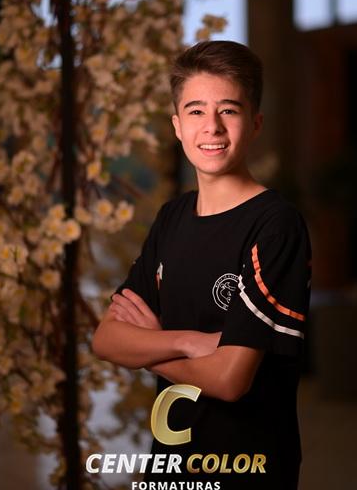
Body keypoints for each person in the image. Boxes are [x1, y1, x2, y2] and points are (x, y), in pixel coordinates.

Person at [92, 40, 312, 489]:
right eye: (195, 111)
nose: (212, 126)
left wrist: (150, 350)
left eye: (228, 110)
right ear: (177, 125)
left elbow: (230, 380)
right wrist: (189, 342)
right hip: (170, 466)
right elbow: (107, 339)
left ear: (255, 123)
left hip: (248, 470)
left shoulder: (275, 226)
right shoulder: (172, 218)